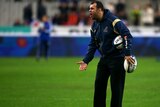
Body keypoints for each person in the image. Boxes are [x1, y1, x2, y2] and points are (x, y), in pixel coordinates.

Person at [77, 1, 135, 107]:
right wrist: (86, 60)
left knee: (116, 91)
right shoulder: (94, 26)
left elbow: (127, 35)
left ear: (100, 9)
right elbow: (93, 44)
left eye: (92, 8)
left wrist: (127, 53)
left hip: (117, 60)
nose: (89, 10)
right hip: (104, 60)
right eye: (89, 9)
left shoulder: (114, 21)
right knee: (99, 87)